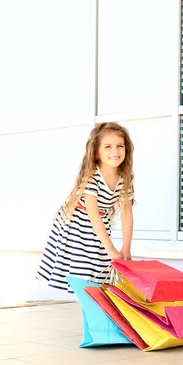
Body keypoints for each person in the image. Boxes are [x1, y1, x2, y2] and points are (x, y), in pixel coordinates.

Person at [37, 122, 135, 291]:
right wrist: (111, 249)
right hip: (77, 223)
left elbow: (126, 214)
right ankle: (86, 298)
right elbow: (92, 214)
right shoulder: (92, 177)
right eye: (108, 147)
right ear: (96, 152)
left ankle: (93, 303)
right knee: (85, 270)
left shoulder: (124, 177)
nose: (115, 151)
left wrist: (126, 247)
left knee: (101, 267)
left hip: (99, 224)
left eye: (120, 146)